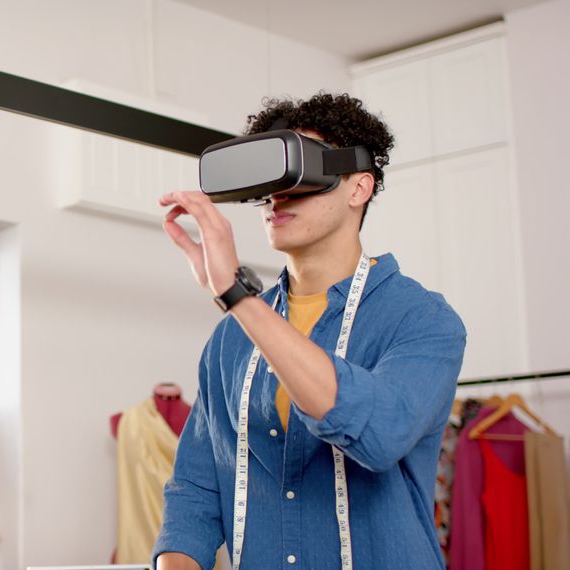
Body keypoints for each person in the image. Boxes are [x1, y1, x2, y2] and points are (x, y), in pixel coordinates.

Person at [152, 93, 466, 569]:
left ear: (359, 187)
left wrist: (236, 296)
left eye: (300, 178)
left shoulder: (423, 320)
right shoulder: (230, 339)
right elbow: (197, 487)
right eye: (270, 185)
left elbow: (378, 434)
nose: (278, 197)